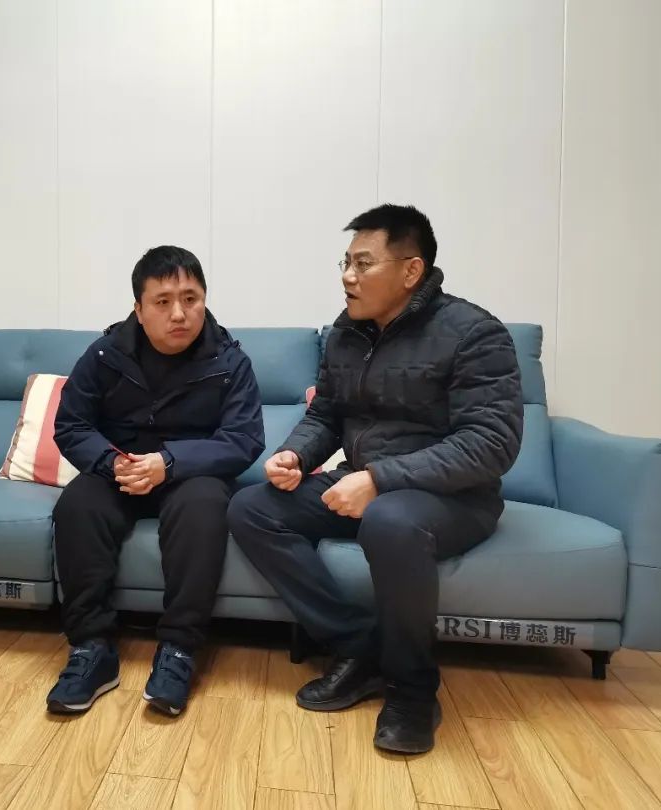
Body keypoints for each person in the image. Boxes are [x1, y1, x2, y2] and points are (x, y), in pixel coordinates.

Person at [228, 204, 523, 754]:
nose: (348, 276)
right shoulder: (348, 332)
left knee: (388, 519)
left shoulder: (474, 333)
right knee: (251, 508)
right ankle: (360, 647)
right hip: (365, 484)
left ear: (411, 271)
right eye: (345, 262)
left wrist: (379, 480)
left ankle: (413, 690)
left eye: (363, 264)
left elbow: (491, 444)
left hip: (452, 499)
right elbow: (327, 415)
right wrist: (294, 456)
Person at [47, 246, 265, 717]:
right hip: (121, 468)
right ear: (139, 309)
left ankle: (179, 651)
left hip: (191, 474)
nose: (179, 313)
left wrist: (170, 462)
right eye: (163, 301)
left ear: (204, 300)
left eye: (190, 298)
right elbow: (71, 425)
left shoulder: (230, 361)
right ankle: (91, 649)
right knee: (77, 504)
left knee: (204, 507)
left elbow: (244, 439)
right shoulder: (105, 354)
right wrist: (111, 463)